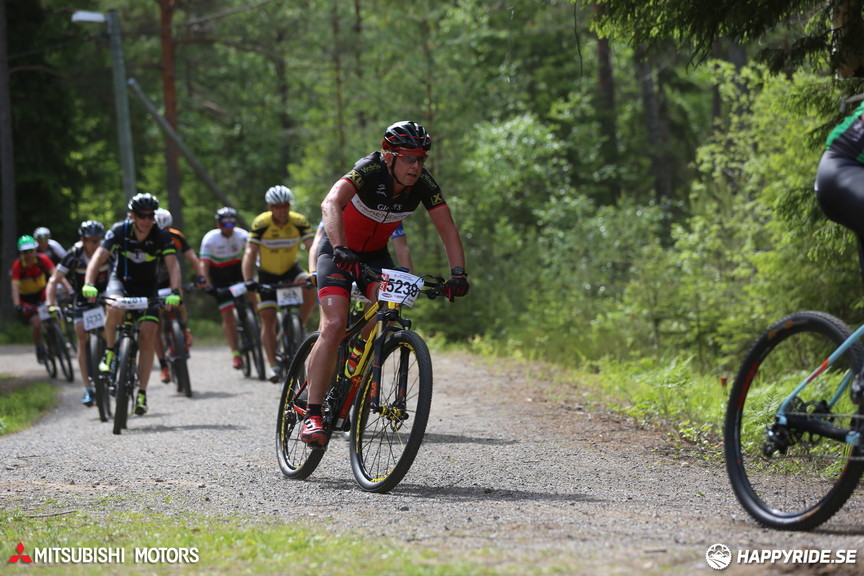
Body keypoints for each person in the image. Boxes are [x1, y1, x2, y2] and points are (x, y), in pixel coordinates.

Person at [301, 120, 469, 446]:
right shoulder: (369, 169)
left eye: (421, 159)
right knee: (334, 324)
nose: (416, 166)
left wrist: (458, 274)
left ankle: (356, 361)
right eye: (409, 158)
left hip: (375, 257)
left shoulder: (423, 184)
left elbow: (447, 228)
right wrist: (339, 247)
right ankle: (313, 413)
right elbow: (329, 204)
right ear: (389, 155)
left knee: (388, 309)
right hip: (337, 252)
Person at [82, 193, 183, 416]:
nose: (146, 220)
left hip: (148, 287)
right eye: (141, 215)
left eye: (150, 215)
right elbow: (97, 259)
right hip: (122, 284)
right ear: (132, 215)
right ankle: (109, 351)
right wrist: (89, 283)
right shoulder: (119, 230)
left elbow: (173, 266)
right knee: (114, 307)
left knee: (148, 335)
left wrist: (174, 292)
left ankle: (142, 394)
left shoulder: (161, 235)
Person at [242, 185, 315, 382]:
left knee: (310, 285)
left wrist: (315, 271)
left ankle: (298, 325)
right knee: (268, 318)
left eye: (285, 206)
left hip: (291, 270)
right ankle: (273, 365)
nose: (282, 210)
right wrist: (249, 280)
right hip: (267, 274)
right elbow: (250, 253)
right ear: (270, 207)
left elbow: (311, 247)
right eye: (277, 206)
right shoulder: (261, 223)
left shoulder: (298, 221)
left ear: (289, 205)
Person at [46, 221, 114, 406]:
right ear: (82, 240)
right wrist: (51, 304)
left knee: (113, 327)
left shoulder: (108, 253)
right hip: (82, 300)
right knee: (82, 339)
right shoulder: (74, 255)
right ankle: (87, 388)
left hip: (105, 297)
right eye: (91, 241)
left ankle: (115, 362)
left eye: (97, 240)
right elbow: (54, 281)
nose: (95, 245)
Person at [152, 208, 205, 384]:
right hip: (153, 282)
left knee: (179, 301)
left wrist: (200, 275)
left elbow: (192, 257)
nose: (163, 234)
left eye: (166, 229)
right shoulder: (146, 239)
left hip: (170, 279)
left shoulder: (176, 236)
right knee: (155, 324)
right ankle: (163, 366)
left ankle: (183, 329)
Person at [199, 207, 250, 370]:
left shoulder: (242, 235)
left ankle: (256, 324)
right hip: (219, 277)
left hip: (236, 272)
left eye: (232, 224)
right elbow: (204, 265)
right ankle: (235, 354)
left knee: (254, 296)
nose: (229, 228)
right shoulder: (210, 239)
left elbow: (254, 253)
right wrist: (207, 284)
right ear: (218, 225)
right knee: (227, 315)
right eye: (225, 225)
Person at [10, 235, 55, 364]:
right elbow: (15, 287)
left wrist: (68, 289)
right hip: (26, 299)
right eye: (25, 252)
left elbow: (56, 275)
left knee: (55, 310)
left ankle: (58, 339)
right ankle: (39, 348)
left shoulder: (43, 259)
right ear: (21, 252)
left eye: (30, 251)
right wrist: (17, 305)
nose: (28, 254)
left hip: (42, 293)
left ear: (35, 250)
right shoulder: (18, 266)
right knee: (36, 324)